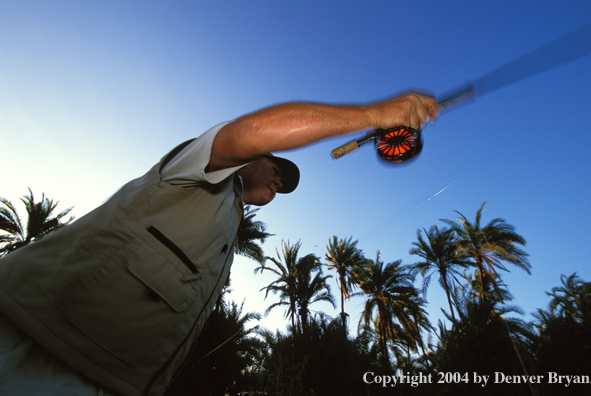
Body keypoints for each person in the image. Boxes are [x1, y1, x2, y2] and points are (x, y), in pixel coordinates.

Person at [0, 93, 438, 396]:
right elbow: (251, 132)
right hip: (35, 345)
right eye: (275, 167)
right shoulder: (195, 166)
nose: (277, 181)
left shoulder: (229, 223)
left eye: (282, 186)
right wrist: (373, 116)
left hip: (113, 382)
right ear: (249, 160)